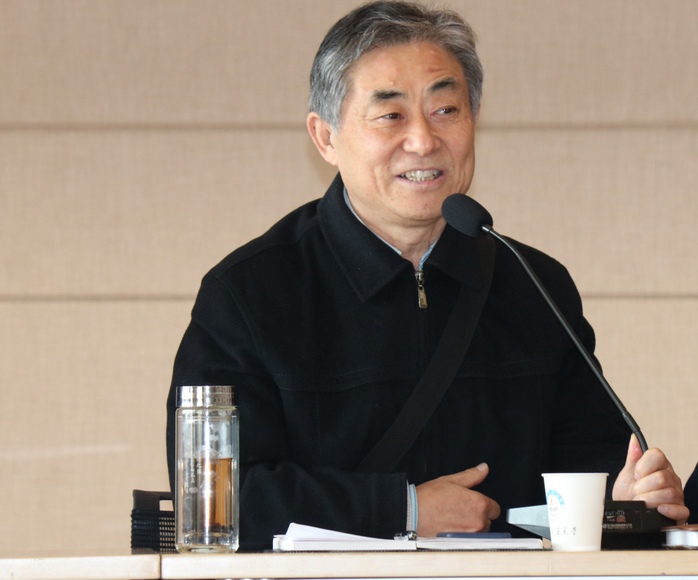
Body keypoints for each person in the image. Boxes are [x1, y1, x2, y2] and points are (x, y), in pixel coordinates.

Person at [166, 0, 687, 550]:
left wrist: (623, 502)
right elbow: (215, 500)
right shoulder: (250, 294)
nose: (422, 140)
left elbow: (591, 462)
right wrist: (403, 508)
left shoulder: (535, 285)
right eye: (390, 115)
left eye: (445, 110)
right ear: (325, 137)